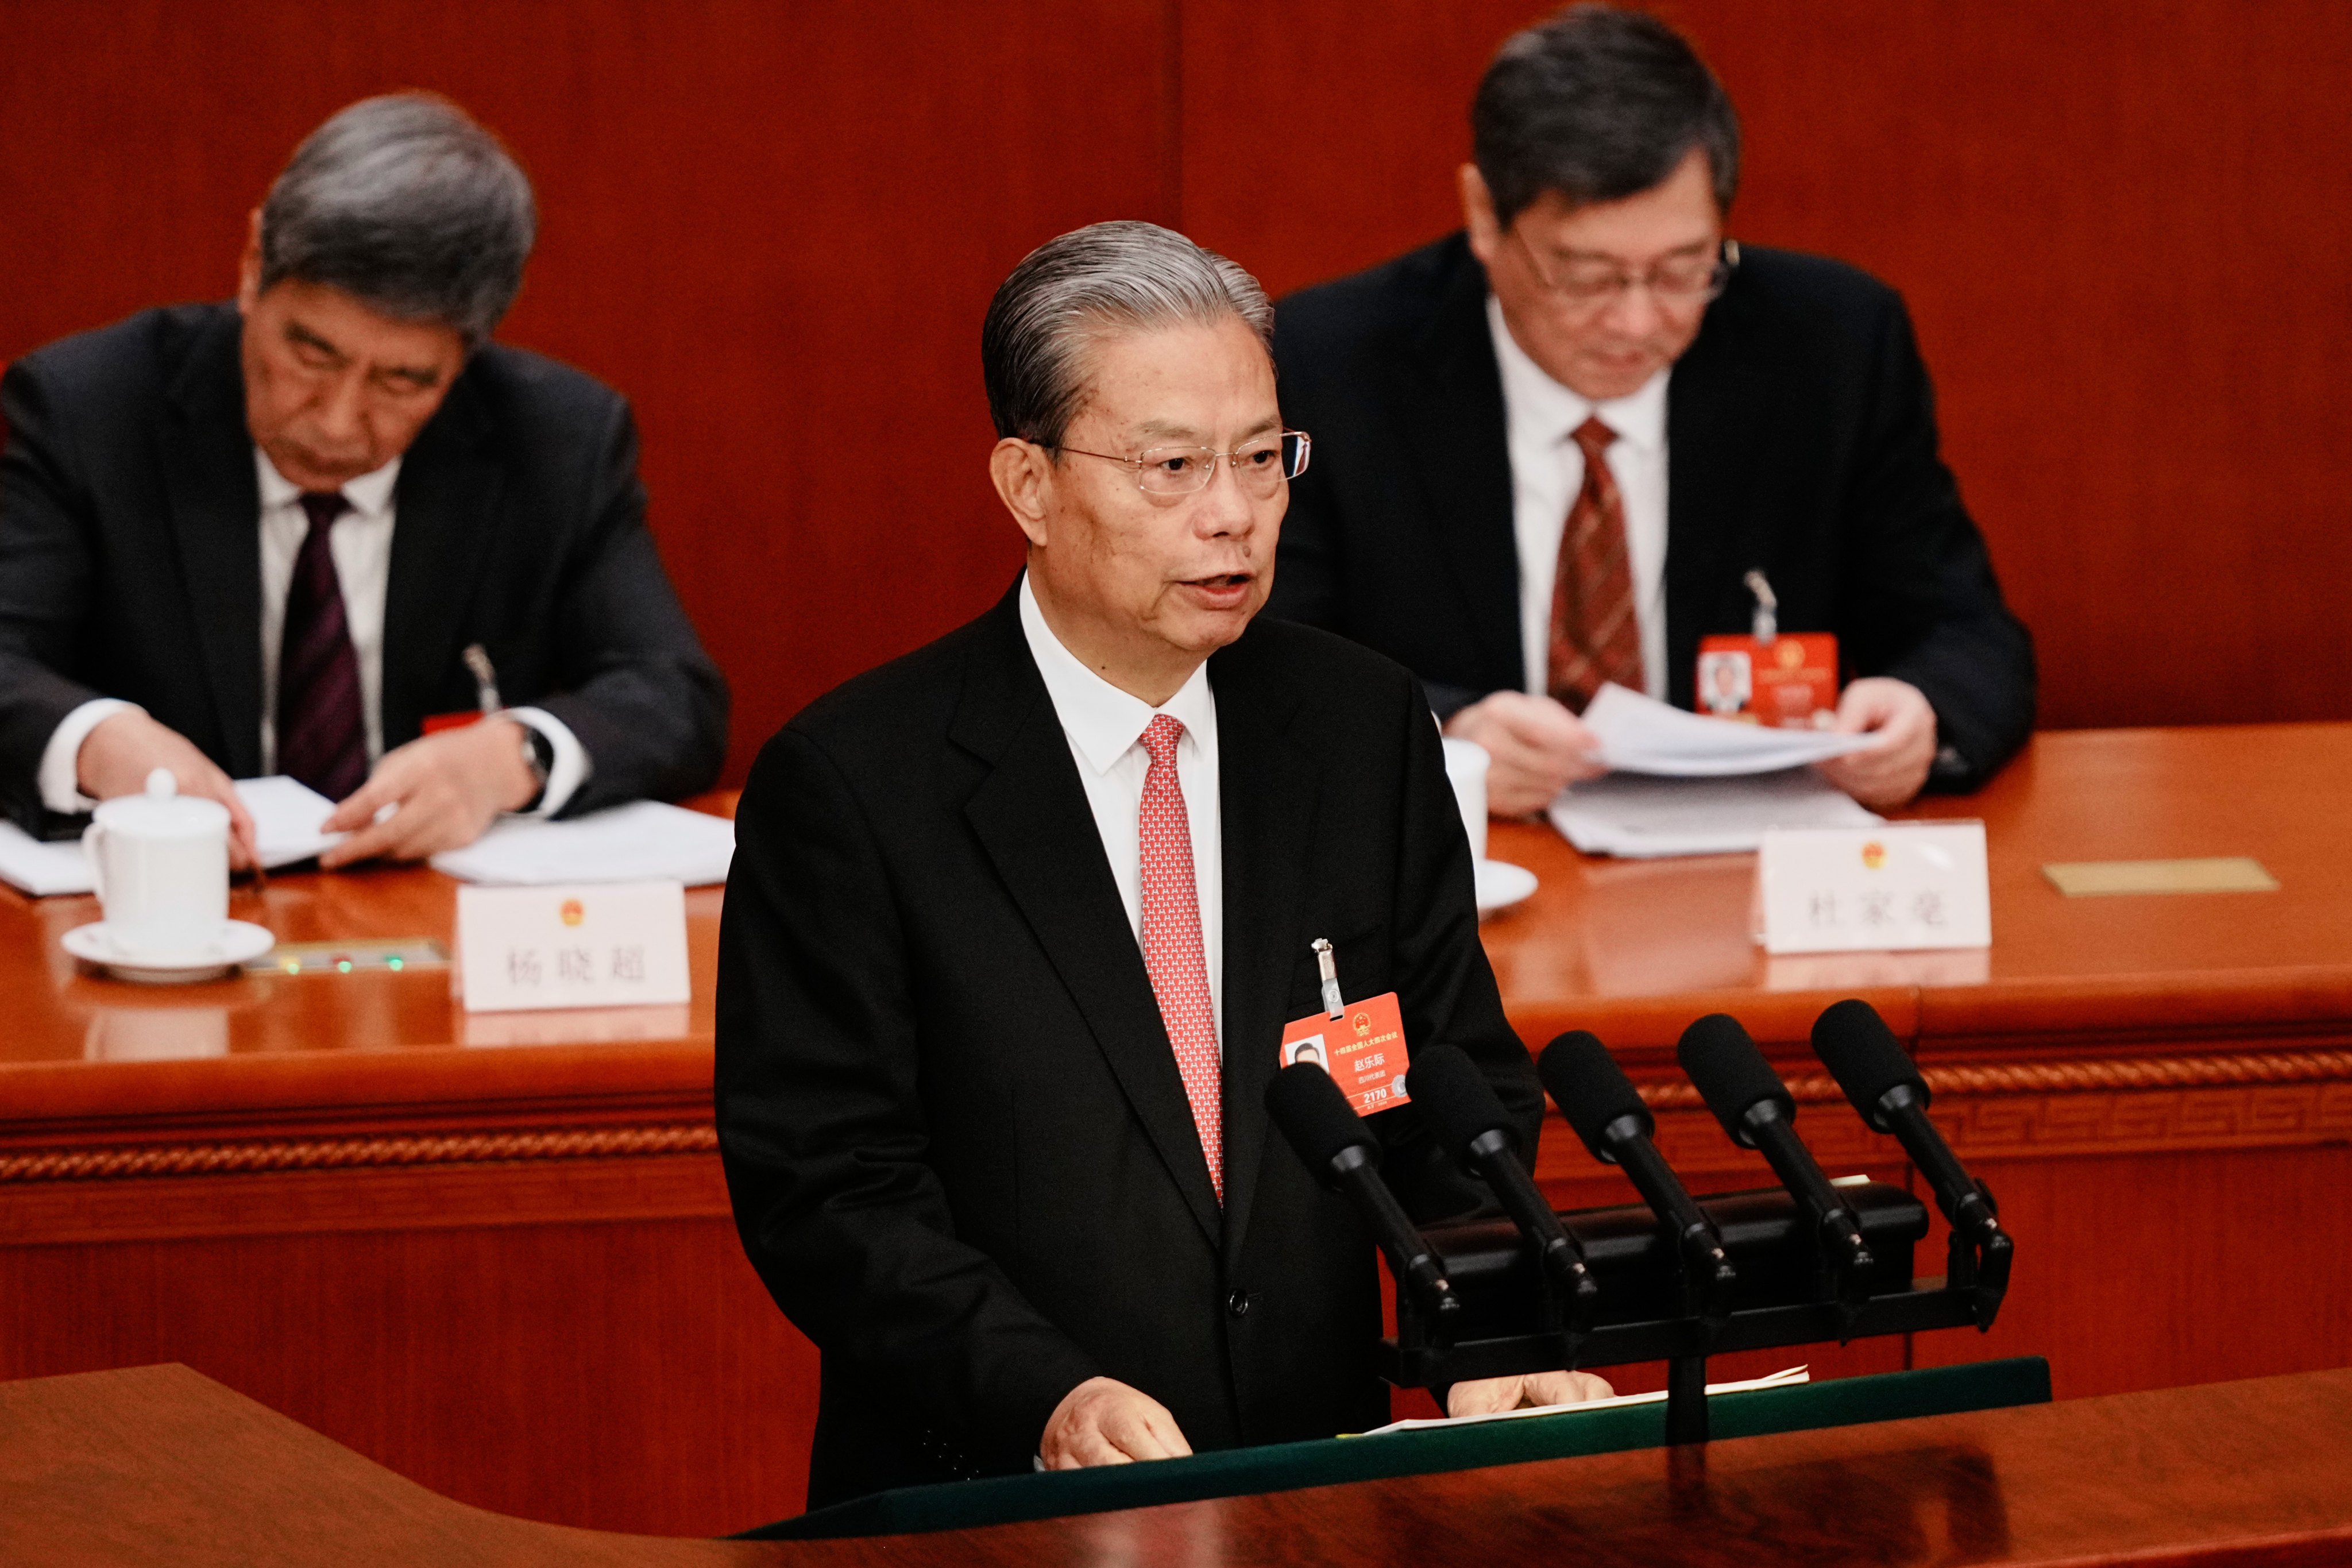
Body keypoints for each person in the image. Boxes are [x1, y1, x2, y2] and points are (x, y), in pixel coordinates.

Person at [716, 221, 1606, 1508]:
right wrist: (1046, 1396)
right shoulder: (856, 785)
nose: (1232, 515)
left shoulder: (1358, 729)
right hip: (989, 1500)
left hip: (1316, 1492)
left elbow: (1450, 1083)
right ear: (1027, 485)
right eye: (1171, 466)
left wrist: (1488, 1321)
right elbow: (829, 1190)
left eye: (1260, 458)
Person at [1266, 3, 2034, 815]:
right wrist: (1443, 735)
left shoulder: (1833, 347)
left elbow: (1972, 638)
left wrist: (1920, 710)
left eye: (1682, 270)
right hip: (1467, 879)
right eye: (1588, 276)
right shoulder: (1330, 366)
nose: (1637, 322)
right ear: (1484, 215)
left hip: (1739, 873)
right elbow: (1262, 658)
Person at [0, 94, 727, 862]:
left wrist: (514, 756)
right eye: (312, 354)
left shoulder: (557, 440)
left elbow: (675, 693)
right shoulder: (92, 411)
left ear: (467, 355)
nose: (341, 420)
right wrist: (94, 739)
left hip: (423, 917)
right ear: (253, 268)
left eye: (404, 381)